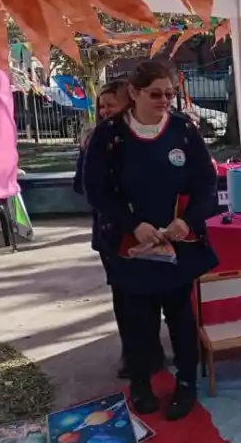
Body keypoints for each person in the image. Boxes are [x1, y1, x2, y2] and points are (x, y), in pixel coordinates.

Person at [84, 60, 219, 420]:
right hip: (131, 246)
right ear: (134, 92)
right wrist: (133, 224)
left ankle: (186, 384)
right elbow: (95, 190)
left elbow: (207, 185)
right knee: (138, 320)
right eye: (155, 93)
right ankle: (141, 383)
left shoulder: (183, 131)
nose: (164, 100)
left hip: (177, 244)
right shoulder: (109, 135)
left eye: (170, 93)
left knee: (181, 318)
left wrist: (186, 222)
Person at [73, 80, 166, 380]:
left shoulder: (149, 136)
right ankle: (133, 354)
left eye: (111, 105)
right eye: (101, 106)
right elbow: (82, 185)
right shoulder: (95, 140)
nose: (104, 110)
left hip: (151, 231)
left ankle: (154, 351)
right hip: (112, 234)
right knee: (124, 298)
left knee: (152, 295)